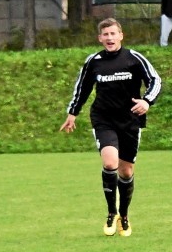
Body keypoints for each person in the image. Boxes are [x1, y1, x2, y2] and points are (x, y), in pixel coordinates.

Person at [61, 18, 162, 236]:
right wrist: (73, 113)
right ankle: (111, 212)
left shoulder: (134, 59)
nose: (109, 38)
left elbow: (155, 80)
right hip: (103, 119)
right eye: (105, 34)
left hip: (130, 121)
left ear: (121, 35)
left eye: (113, 34)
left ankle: (124, 215)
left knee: (126, 171)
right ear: (100, 38)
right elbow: (82, 88)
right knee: (110, 163)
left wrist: (146, 101)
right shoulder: (94, 61)